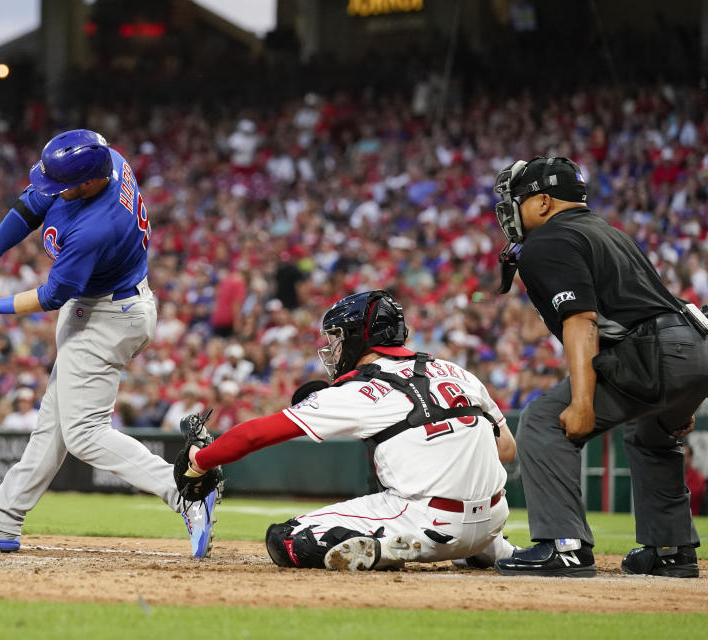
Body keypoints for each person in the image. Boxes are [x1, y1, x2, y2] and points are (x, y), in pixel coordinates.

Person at [0, 129, 219, 558]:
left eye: (62, 184)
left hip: (110, 317)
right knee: (53, 428)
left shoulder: (97, 227)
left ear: (89, 182)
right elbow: (31, 205)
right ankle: (0, 520)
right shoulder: (104, 161)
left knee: (84, 434)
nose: (51, 189)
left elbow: (52, 295)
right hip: (100, 306)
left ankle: (187, 491)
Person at [183, 290, 517, 571]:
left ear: (360, 337)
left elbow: (258, 434)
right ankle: (490, 551)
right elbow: (507, 450)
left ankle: (388, 550)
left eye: (339, 337)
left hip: (424, 520)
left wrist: (201, 460)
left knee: (287, 537)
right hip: (491, 521)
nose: (334, 348)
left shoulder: (361, 389)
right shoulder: (456, 371)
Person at [490, 156, 708, 578]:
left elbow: (581, 320)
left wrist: (582, 400)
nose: (510, 212)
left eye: (517, 200)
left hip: (659, 351)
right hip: (695, 344)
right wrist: (680, 402)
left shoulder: (547, 240)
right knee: (651, 434)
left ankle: (564, 546)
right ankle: (671, 550)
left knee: (543, 421)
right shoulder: (608, 231)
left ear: (543, 203)